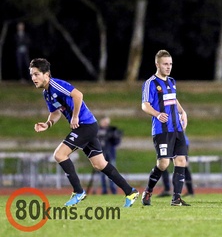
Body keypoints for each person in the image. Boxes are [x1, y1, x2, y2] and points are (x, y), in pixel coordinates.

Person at [29, 58, 139, 207]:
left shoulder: (56, 84)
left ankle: (78, 192)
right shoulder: (46, 93)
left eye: (36, 74)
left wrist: (74, 116)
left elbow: (78, 95)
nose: (33, 78)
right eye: (32, 75)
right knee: (100, 164)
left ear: (46, 74)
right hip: (85, 127)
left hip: (85, 126)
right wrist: (47, 124)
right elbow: (55, 113)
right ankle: (130, 191)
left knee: (59, 155)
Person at [141, 49, 190, 206]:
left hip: (177, 128)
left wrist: (183, 112)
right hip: (162, 130)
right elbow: (144, 105)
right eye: (165, 64)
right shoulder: (151, 83)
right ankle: (148, 191)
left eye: (170, 64)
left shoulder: (172, 81)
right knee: (163, 163)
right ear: (157, 64)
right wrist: (157, 114)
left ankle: (176, 198)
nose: (168, 67)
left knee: (181, 160)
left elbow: (173, 99)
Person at [157, 133, 194, 197]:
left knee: (183, 166)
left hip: (178, 142)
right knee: (163, 165)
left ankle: (190, 191)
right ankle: (167, 189)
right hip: (168, 142)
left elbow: (182, 127)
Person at [97, 116, 123, 194]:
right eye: (104, 122)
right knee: (102, 174)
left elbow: (116, 143)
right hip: (100, 154)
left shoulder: (111, 130)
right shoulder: (96, 131)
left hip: (110, 154)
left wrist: (115, 136)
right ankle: (104, 190)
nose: (106, 124)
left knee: (112, 173)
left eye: (107, 123)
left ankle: (113, 190)